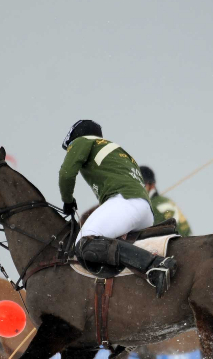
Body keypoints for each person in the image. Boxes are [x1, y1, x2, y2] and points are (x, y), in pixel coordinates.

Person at [59, 120, 177, 297]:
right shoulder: (116, 150)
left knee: (84, 244)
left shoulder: (82, 141)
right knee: (106, 243)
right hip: (144, 211)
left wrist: (67, 201)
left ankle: (155, 265)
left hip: (125, 203)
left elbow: (66, 174)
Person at [139, 166, 192, 236]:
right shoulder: (166, 200)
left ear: (152, 185)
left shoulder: (151, 207)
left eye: (142, 184)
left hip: (179, 244)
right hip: (190, 239)